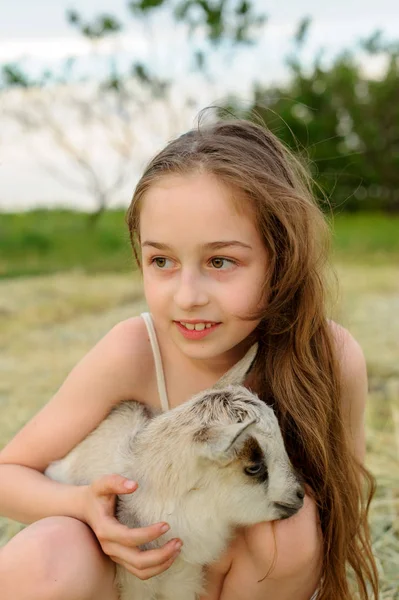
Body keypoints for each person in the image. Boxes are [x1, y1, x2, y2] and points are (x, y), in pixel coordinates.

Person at [0, 117, 378, 600]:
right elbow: (8, 473)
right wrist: (85, 506)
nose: (187, 296)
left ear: (281, 259)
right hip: (126, 578)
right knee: (48, 555)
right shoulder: (134, 350)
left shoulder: (329, 358)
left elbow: (345, 510)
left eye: (220, 261)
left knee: (290, 529)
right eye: (162, 261)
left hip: (226, 581)